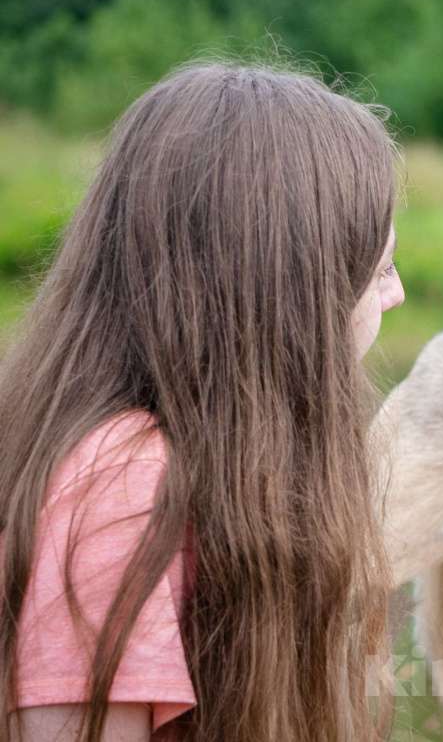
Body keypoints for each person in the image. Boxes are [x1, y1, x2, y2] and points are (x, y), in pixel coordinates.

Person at [0, 62, 405, 741]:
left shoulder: (227, 465)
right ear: (289, 286)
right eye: (382, 266)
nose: (394, 293)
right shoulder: (117, 486)